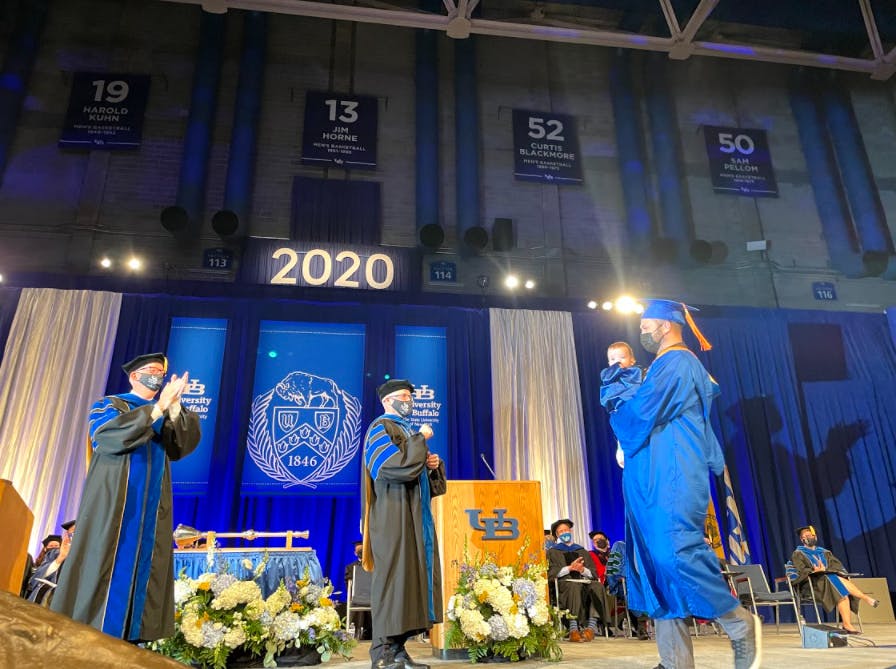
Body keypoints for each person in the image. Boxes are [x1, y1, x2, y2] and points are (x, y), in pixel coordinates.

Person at [605, 299, 760, 669]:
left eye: (646, 324)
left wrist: (618, 390)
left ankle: (740, 625)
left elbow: (638, 414)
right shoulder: (660, 366)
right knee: (652, 565)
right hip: (647, 474)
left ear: (667, 325)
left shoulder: (678, 362)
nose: (641, 330)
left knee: (673, 551)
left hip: (672, 471)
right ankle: (674, 661)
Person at [51, 353, 200, 642]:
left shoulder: (166, 411)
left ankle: (135, 637)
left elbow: (180, 446)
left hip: (151, 508)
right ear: (134, 376)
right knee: (105, 558)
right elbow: (108, 439)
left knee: (146, 563)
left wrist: (175, 406)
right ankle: (92, 635)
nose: (157, 375)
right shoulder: (109, 405)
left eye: (161, 372)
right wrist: (157, 409)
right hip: (114, 504)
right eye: (151, 370)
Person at [361, 379, 446, 669]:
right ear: (387, 401)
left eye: (410, 397)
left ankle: (398, 652)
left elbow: (420, 477)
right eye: (403, 396)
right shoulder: (379, 428)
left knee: (410, 582)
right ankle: (382, 655)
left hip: (413, 518)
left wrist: (431, 464)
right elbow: (390, 469)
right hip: (393, 517)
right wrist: (420, 441)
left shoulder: (407, 431)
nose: (408, 401)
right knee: (393, 581)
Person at [790, 525, 879, 633]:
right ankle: (865, 598)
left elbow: (837, 567)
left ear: (815, 537)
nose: (808, 537)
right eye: (804, 536)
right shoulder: (798, 554)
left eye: (810, 535)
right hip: (813, 586)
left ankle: (847, 624)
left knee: (838, 586)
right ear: (801, 539)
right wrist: (814, 571)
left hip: (830, 583)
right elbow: (800, 571)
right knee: (836, 583)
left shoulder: (825, 553)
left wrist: (825, 569)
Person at [546, 519, 610, 642]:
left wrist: (582, 570)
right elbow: (551, 573)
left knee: (597, 586)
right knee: (573, 587)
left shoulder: (582, 551)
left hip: (584, 582)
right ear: (557, 535)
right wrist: (569, 568)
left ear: (570, 531)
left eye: (566, 530)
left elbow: (594, 573)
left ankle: (590, 629)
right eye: (561, 531)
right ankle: (573, 629)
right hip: (565, 585)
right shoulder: (553, 552)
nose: (564, 532)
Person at [600, 341, 643, 468]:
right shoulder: (609, 377)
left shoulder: (637, 373)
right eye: (613, 359)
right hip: (621, 411)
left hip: (637, 409)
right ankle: (621, 448)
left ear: (632, 360)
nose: (617, 362)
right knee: (622, 430)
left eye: (622, 357)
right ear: (609, 363)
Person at [26, 520, 77, 603]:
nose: (70, 538)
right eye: (70, 534)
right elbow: (34, 580)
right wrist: (60, 558)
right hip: (48, 600)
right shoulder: (54, 553)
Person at [345, 540, 372, 640]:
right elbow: (348, 585)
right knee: (356, 603)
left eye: (362, 550)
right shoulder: (351, 567)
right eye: (359, 550)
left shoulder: (374, 565)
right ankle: (358, 633)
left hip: (373, 597)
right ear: (355, 553)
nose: (361, 552)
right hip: (357, 597)